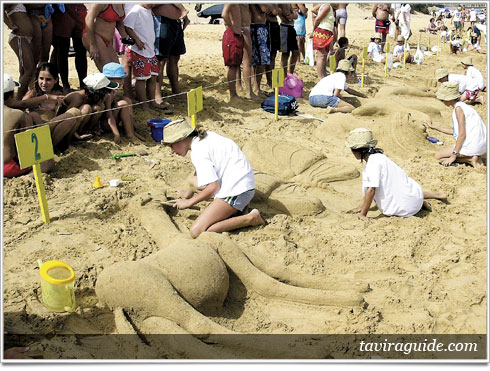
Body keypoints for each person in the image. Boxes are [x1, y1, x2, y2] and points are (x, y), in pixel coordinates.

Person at [161, 119, 265, 238]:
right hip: (243, 183)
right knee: (192, 180)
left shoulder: (198, 152)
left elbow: (213, 187)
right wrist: (187, 194)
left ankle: (250, 218)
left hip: (236, 191)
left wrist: (189, 202)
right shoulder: (206, 137)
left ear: (181, 139)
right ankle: (236, 209)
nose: (172, 151)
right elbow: (198, 174)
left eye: (171, 146)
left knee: (197, 231)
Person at [345, 128, 447, 223]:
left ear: (357, 151)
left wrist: (363, 214)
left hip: (403, 210)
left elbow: (371, 190)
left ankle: (420, 202)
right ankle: (431, 197)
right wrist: (361, 206)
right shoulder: (381, 157)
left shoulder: (371, 165)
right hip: (415, 198)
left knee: (375, 189)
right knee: (402, 186)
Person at [424, 82, 486, 168]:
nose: (442, 101)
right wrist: (434, 127)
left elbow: (462, 135)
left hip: (472, 146)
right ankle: (472, 156)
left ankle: (470, 158)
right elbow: (454, 131)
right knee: (444, 155)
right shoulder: (463, 106)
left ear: (449, 99)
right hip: (481, 145)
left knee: (438, 156)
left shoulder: (458, 109)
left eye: (443, 99)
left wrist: (453, 155)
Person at [124, 4, 162, 110]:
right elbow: (127, 26)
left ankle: (151, 101)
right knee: (141, 79)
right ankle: (143, 104)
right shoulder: (136, 10)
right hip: (139, 51)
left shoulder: (148, 10)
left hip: (150, 51)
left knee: (153, 77)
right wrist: (137, 40)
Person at [152, 4, 189, 99]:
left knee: (174, 57)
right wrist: (182, 9)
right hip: (161, 20)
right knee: (161, 60)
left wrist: (184, 15)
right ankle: (157, 95)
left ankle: (176, 90)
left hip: (176, 22)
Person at [50, 4, 88, 93]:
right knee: (62, 49)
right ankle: (65, 85)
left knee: (81, 49)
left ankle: (83, 84)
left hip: (78, 9)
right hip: (63, 10)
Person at [102, 62, 143, 143]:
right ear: (109, 79)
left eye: (122, 79)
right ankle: (130, 134)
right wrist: (116, 134)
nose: (122, 81)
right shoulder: (106, 93)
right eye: (120, 79)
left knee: (127, 99)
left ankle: (132, 130)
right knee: (124, 103)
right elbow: (108, 115)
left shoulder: (112, 90)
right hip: (105, 124)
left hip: (110, 120)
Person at [82, 4, 129, 71]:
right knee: (108, 71)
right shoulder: (102, 3)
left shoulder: (121, 3)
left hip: (108, 40)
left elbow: (119, 21)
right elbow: (89, 19)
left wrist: (125, 37)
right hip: (94, 37)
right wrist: (92, 44)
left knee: (117, 70)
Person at [4, 4, 36, 100]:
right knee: (30, 69)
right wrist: (9, 24)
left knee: (24, 70)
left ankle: (22, 97)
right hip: (19, 37)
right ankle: (18, 100)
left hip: (26, 38)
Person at [221, 4, 244, 103]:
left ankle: (234, 93)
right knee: (232, 65)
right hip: (232, 35)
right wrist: (233, 28)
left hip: (236, 34)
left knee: (236, 64)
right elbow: (224, 14)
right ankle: (232, 95)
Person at [250, 4, 270, 96]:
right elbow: (265, 8)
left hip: (260, 26)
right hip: (256, 27)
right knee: (261, 60)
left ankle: (256, 87)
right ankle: (256, 87)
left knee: (260, 60)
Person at [311, 3, 335, 79]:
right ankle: (320, 76)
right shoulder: (327, 6)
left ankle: (323, 73)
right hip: (322, 32)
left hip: (326, 32)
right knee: (321, 56)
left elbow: (313, 10)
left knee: (324, 55)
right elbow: (317, 19)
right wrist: (313, 30)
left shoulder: (325, 5)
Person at [279, 4, 299, 76]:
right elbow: (289, 17)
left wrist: (293, 14)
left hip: (290, 27)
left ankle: (290, 74)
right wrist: (293, 14)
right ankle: (284, 75)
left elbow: (295, 16)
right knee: (285, 53)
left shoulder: (289, 3)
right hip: (284, 28)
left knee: (296, 52)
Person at [265, 4, 282, 88]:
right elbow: (276, 11)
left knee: (273, 55)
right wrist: (276, 9)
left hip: (274, 25)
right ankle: (269, 80)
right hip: (269, 25)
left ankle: (270, 79)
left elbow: (279, 11)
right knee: (270, 55)